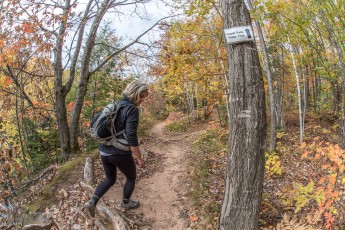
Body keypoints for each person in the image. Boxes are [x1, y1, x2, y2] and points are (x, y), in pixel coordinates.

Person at [84, 80, 148, 217]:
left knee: (110, 179)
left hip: (104, 151)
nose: (142, 100)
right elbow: (131, 135)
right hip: (120, 153)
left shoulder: (115, 105)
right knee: (131, 178)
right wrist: (139, 158)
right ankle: (126, 202)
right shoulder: (132, 109)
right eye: (141, 96)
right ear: (134, 93)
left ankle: (92, 201)